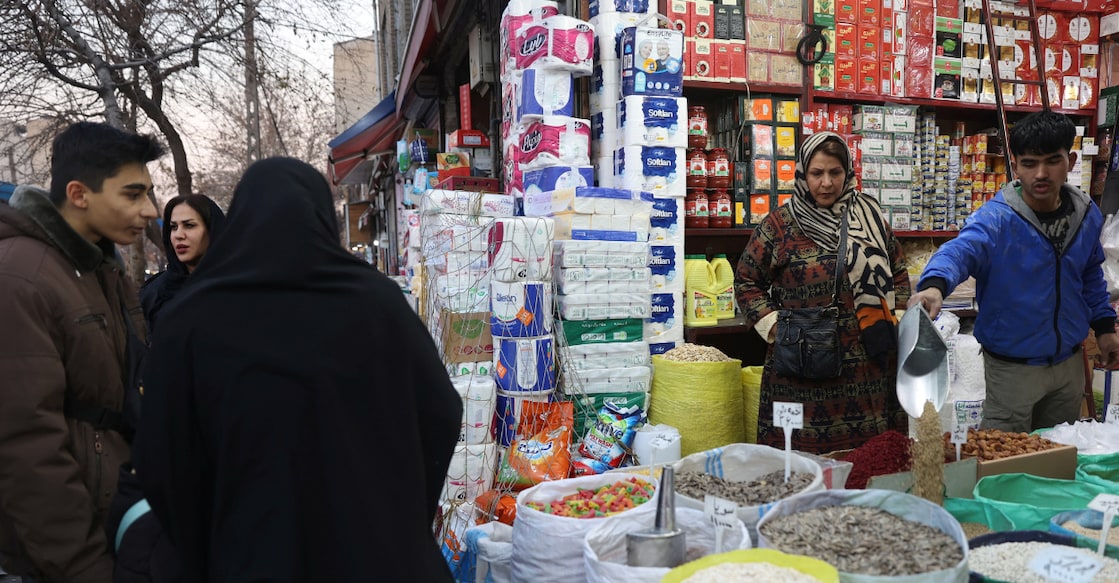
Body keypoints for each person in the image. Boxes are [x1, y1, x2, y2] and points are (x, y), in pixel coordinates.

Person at [132, 157, 463, 582]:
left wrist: (212, 542)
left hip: (253, 557)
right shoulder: (376, 303)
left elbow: (162, 459)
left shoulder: (188, 322)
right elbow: (440, 412)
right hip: (382, 557)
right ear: (322, 217)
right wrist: (401, 513)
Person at [0, 121, 164, 582]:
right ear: (78, 194)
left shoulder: (98, 267)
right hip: (61, 557)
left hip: (112, 519)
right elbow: (25, 446)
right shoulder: (21, 278)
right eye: (133, 194)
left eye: (148, 193)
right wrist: (85, 566)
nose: (150, 210)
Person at [910, 110, 1119, 433]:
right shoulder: (997, 219)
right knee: (1005, 463)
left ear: (1072, 160)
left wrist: (1105, 329)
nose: (1041, 173)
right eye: (1029, 163)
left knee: (1058, 460)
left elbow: (1090, 274)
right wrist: (935, 285)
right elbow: (960, 251)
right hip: (1011, 371)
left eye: (1052, 160)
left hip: (1067, 366)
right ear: (1015, 164)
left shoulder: (1086, 213)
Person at [735, 131, 911, 454]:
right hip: (801, 368)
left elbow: (898, 273)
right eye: (817, 173)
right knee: (800, 466)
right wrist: (774, 326)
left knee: (866, 463)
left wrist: (894, 320)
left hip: (865, 372)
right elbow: (746, 281)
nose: (826, 183)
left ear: (848, 174)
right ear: (803, 173)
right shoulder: (780, 225)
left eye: (835, 173)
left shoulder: (870, 218)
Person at [139, 194, 226, 337]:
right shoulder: (155, 294)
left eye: (189, 225)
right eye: (173, 227)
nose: (178, 235)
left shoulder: (239, 286)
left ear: (212, 230)